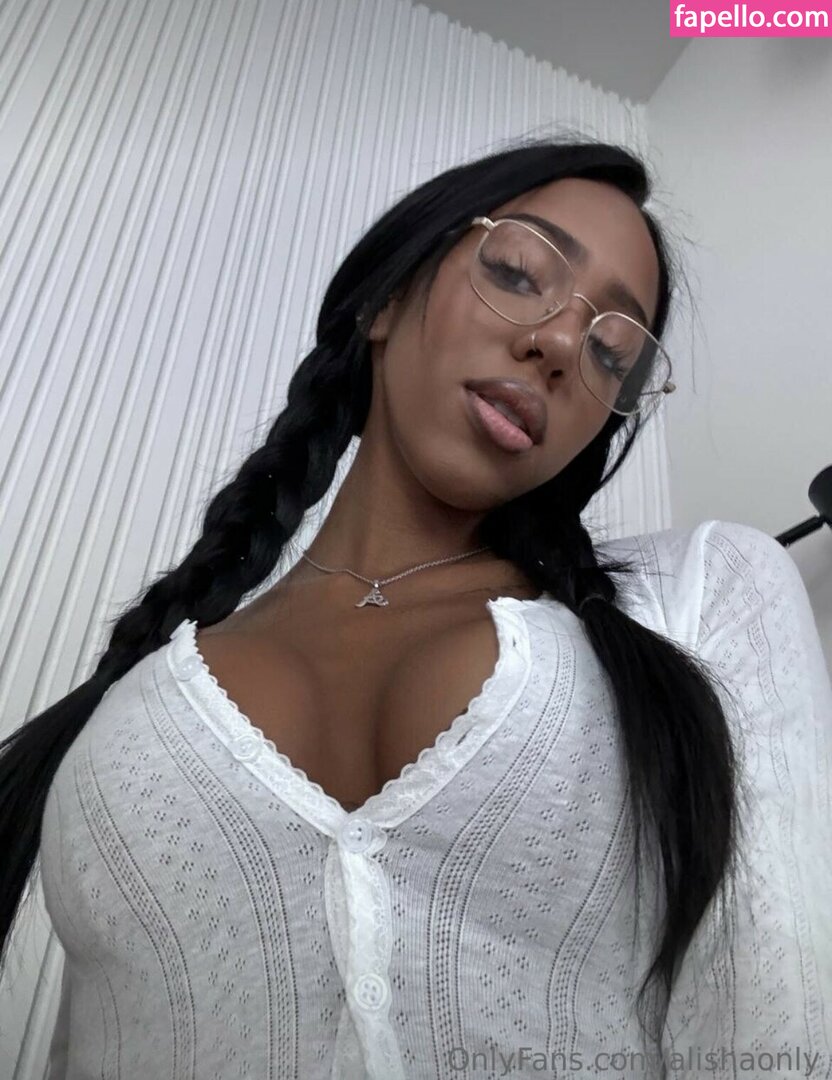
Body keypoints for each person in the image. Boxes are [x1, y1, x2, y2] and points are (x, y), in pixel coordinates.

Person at [1, 137, 830, 1079]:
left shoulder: (700, 599)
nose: (563, 345)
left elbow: (777, 1038)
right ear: (387, 299)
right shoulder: (131, 710)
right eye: (519, 272)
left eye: (612, 353)